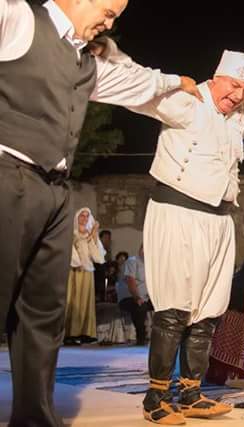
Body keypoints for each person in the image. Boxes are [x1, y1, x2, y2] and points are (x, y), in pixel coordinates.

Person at [0, 1, 201, 424]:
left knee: (44, 313)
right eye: (108, 12)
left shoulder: (86, 61)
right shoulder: (19, 18)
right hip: (7, 171)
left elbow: (137, 83)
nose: (108, 24)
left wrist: (177, 82)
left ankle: (34, 419)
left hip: (57, 189)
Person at [131, 50, 244, 424]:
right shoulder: (187, 101)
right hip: (178, 211)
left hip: (220, 218)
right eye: (234, 86)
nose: (238, 95)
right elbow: (136, 91)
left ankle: (191, 392)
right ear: (216, 77)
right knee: (174, 307)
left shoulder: (241, 114)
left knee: (209, 310)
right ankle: (156, 397)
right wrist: (173, 81)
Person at [64, 207, 105, 345]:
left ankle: (86, 332)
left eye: (87, 216)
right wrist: (77, 263)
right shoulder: (72, 232)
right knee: (74, 300)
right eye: (82, 215)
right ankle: (70, 333)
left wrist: (94, 234)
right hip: (75, 270)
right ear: (77, 217)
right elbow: (72, 250)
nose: (85, 218)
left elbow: (97, 255)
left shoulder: (89, 233)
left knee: (86, 301)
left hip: (87, 271)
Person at [118, 245, 152, 345]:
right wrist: (137, 297)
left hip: (146, 297)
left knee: (164, 306)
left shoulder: (151, 264)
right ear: (141, 250)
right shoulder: (132, 261)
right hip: (130, 296)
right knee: (140, 306)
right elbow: (130, 280)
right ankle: (141, 337)